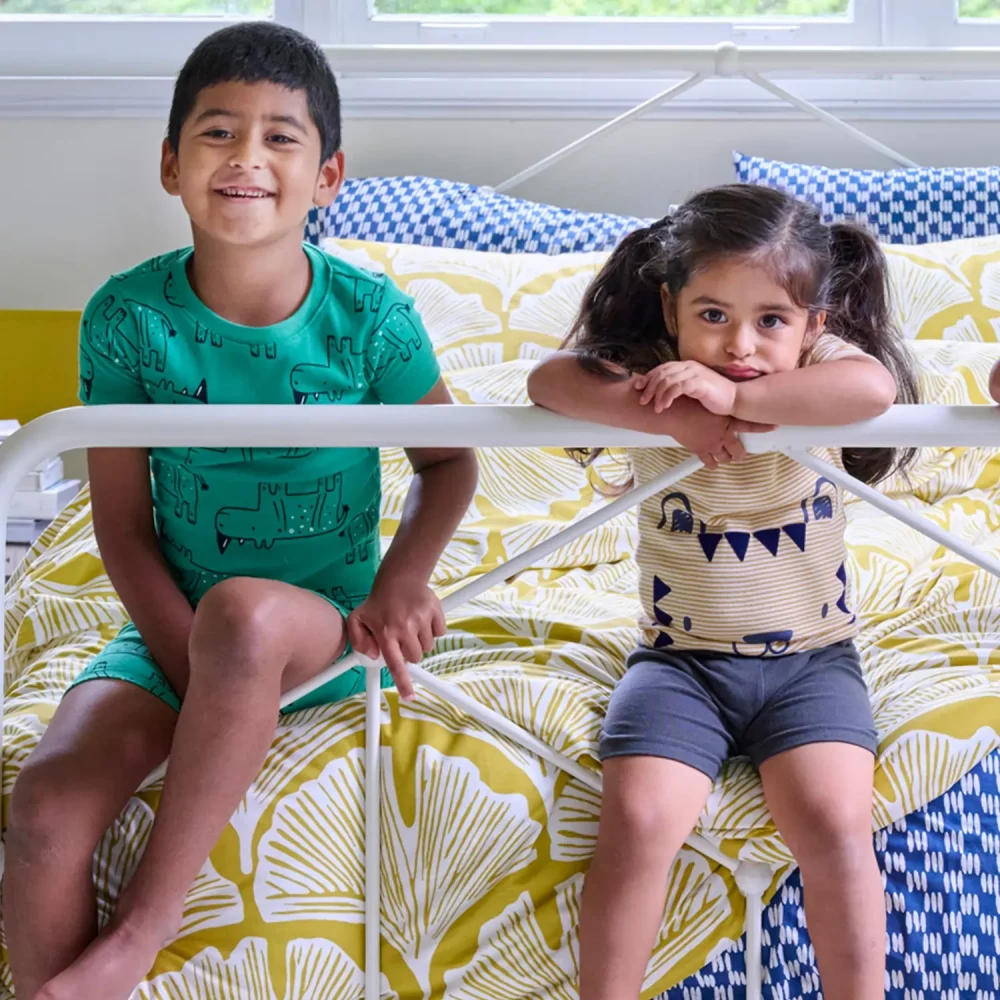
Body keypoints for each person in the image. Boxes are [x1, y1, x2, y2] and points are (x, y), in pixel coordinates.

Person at [4, 22, 478, 1000]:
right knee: (46, 804)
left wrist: (400, 581)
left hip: (321, 636)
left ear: (329, 174)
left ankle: (140, 932)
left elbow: (450, 462)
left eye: (280, 137)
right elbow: (122, 529)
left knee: (247, 614)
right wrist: (195, 678)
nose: (247, 158)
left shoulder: (368, 316)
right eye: (217, 134)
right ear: (172, 165)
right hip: (171, 636)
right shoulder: (128, 318)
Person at [527, 184, 918, 1000]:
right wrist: (667, 419)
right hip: (680, 665)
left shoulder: (823, 371)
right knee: (636, 823)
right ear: (669, 306)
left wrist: (737, 403)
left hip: (814, 664)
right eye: (712, 315)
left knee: (838, 825)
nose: (738, 342)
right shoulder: (656, 383)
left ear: (815, 324)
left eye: (771, 320)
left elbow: (874, 394)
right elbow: (548, 382)